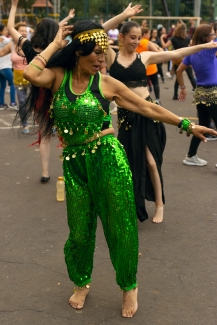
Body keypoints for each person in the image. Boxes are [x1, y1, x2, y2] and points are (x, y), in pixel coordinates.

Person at [22, 21, 217, 318]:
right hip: (75, 164)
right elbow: (30, 73)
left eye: (105, 54)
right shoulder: (58, 77)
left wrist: (187, 124)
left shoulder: (106, 83)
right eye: (97, 54)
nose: (102, 59)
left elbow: (147, 107)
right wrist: (57, 42)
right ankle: (81, 282)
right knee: (79, 231)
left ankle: (129, 287)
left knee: (120, 227)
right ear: (78, 53)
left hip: (108, 159)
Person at [106, 20, 217, 224]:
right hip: (125, 118)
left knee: (150, 162)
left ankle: (159, 204)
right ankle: (128, 204)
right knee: (126, 164)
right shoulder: (111, 58)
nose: (136, 41)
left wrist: (204, 45)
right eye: (132, 37)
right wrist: (123, 14)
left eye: (138, 37)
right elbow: (98, 32)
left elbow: (176, 54)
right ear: (121, 37)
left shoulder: (145, 57)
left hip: (148, 113)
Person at [7, 0, 75, 182]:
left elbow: (11, 28)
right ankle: (74, 171)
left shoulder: (29, 48)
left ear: (37, 32)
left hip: (39, 96)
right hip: (59, 94)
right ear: (54, 33)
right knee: (69, 134)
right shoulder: (57, 51)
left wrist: (13, 7)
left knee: (44, 135)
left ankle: (45, 173)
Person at [177, 24, 217, 166]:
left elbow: (178, 71)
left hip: (200, 93)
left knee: (204, 125)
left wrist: (183, 87)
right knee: (205, 125)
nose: (214, 36)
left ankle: (191, 155)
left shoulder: (191, 53)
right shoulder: (211, 49)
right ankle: (191, 155)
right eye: (213, 34)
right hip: (212, 93)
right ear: (207, 38)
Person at [0, 21, 30, 132]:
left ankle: (48, 124)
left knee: (38, 102)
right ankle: (25, 125)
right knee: (22, 102)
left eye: (25, 31)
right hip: (18, 78)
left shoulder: (32, 44)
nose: (24, 33)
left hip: (33, 77)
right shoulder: (11, 46)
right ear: (16, 32)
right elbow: (1, 52)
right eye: (21, 31)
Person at [160, 22, 196, 100]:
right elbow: (193, 45)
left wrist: (161, 38)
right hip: (186, 60)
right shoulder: (187, 39)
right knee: (191, 77)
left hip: (177, 60)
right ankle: (198, 93)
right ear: (184, 30)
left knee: (178, 78)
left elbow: (164, 46)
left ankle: (175, 95)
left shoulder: (173, 39)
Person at [137, 26, 162, 104]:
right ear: (144, 34)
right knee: (155, 83)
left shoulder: (136, 42)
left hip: (141, 67)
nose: (149, 35)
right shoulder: (148, 43)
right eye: (148, 34)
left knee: (143, 85)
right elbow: (158, 53)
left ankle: (143, 100)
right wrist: (159, 48)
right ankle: (157, 99)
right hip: (151, 67)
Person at [0, 23, 17, 110]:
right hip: (5, 67)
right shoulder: (3, 39)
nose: (7, 31)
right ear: (1, 31)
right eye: (5, 30)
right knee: (13, 84)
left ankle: (1, 104)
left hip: (1, 67)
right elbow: (12, 39)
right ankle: (13, 102)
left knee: (2, 86)